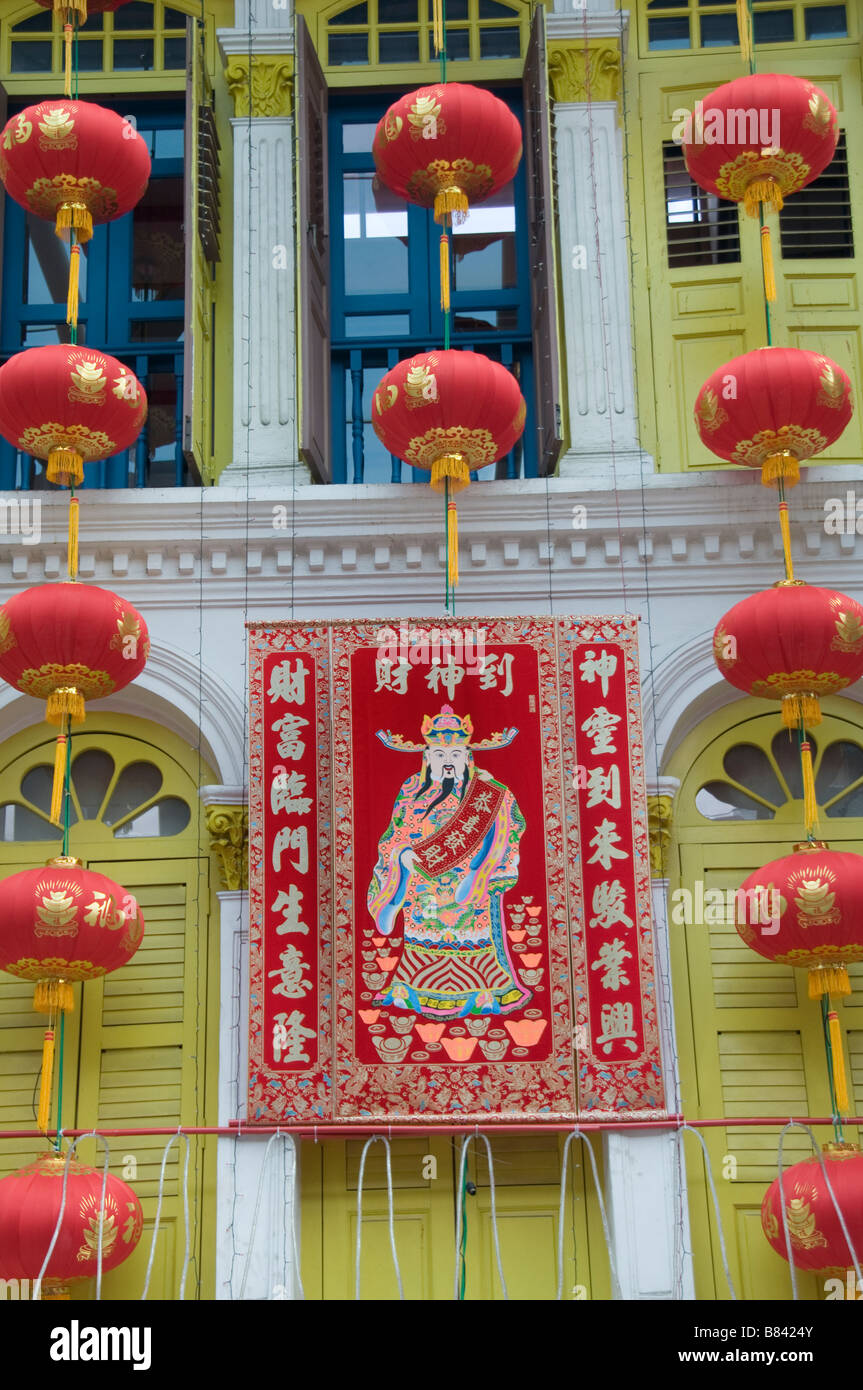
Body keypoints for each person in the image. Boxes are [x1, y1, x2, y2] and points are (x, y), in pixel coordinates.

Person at [367, 704, 530, 1019]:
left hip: (470, 885)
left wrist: (478, 871)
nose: (448, 762)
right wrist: (402, 857)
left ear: (466, 757)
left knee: (472, 934)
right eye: (440, 755)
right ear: (428, 758)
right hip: (423, 885)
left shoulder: (486, 793)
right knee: (423, 936)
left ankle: (482, 987)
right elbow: (394, 836)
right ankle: (414, 985)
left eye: (455, 755)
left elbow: (508, 830)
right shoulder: (412, 792)